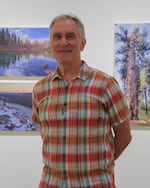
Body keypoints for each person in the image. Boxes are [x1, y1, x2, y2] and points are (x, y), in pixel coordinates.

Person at [32, 14, 132, 188]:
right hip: (51, 183)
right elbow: (45, 134)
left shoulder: (106, 85)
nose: (63, 42)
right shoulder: (40, 89)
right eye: (57, 37)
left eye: (70, 36)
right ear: (51, 45)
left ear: (82, 43)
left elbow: (124, 136)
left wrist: (100, 164)